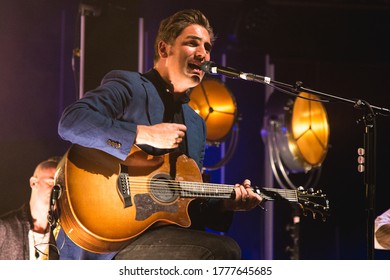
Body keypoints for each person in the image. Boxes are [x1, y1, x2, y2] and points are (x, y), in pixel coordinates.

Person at [57, 9, 262, 260]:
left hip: (158, 240)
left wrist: (226, 204)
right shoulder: (130, 86)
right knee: (223, 250)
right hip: (108, 241)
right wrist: (140, 134)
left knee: (218, 247)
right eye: (192, 43)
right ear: (164, 49)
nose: (203, 54)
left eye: (207, 47)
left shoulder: (196, 124)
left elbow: (184, 203)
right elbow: (71, 122)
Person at [0, 157, 60, 260]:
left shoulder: (62, 233)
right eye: (51, 182)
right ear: (33, 183)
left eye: (59, 186)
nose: (56, 190)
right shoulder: (4, 228)